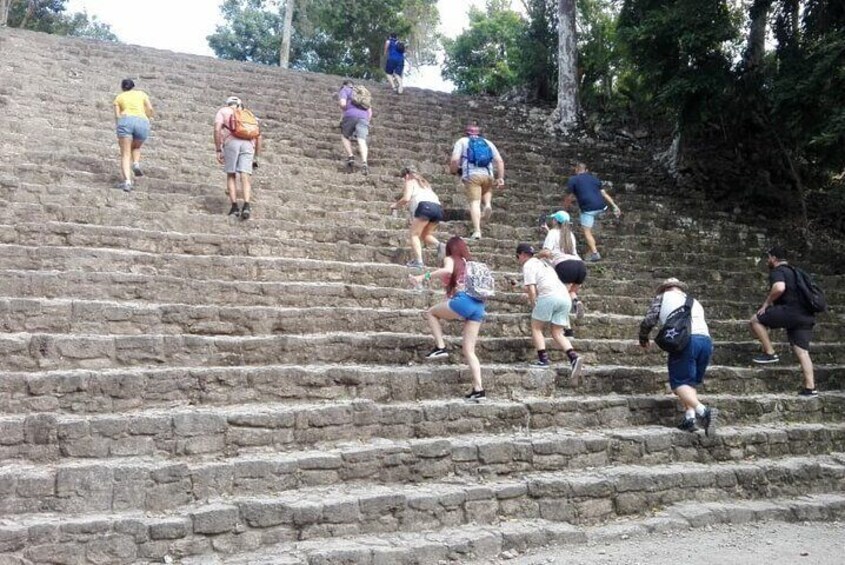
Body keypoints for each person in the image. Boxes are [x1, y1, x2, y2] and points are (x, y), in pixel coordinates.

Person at [410, 236, 487, 401]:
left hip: (464, 302)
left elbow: (447, 271)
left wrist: (423, 277)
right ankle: (479, 388)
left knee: (431, 312)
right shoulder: (471, 263)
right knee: (469, 351)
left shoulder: (451, 259)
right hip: (479, 306)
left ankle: (440, 346)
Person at [639, 278, 717, 435]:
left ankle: (704, 412)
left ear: (665, 289)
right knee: (690, 382)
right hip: (705, 341)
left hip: (686, 341)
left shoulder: (663, 298)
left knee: (679, 384)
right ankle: (690, 418)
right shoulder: (694, 301)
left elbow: (649, 319)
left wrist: (643, 337)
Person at [749, 246, 817, 396]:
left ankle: (770, 353)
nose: (768, 261)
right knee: (802, 352)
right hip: (805, 315)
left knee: (755, 320)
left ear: (773, 258)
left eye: (768, 258)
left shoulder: (778, 271)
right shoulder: (796, 272)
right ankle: (810, 388)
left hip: (790, 312)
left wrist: (766, 304)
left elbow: (779, 288)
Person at [516, 243, 584, 381]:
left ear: (522, 255)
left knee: (536, 327)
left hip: (548, 297)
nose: (518, 260)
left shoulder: (528, 265)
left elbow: (532, 289)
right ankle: (573, 358)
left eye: (517, 257)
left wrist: (534, 303)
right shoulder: (544, 264)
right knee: (557, 332)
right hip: (565, 297)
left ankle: (543, 360)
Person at [449, 125, 505, 240]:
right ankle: (488, 204)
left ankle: (477, 230)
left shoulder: (462, 141)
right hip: (488, 175)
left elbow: (455, 160)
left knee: (475, 203)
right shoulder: (487, 142)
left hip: (472, 176)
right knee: (486, 188)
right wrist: (500, 178)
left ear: (467, 133)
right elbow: (500, 161)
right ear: (479, 134)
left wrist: (453, 170)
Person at [214, 96, 262, 220]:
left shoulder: (223, 111)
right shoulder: (249, 115)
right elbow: (259, 136)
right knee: (245, 175)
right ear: (240, 104)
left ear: (228, 103)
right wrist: (256, 156)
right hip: (248, 144)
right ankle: (246, 205)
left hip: (231, 144)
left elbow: (217, 128)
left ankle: (234, 207)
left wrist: (218, 148)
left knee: (231, 174)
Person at [536, 210, 587, 324]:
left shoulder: (553, 232)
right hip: (580, 267)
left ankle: (565, 328)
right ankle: (576, 302)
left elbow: (546, 252)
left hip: (565, 266)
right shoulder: (570, 235)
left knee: (561, 296)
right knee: (570, 292)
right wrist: (547, 231)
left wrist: (535, 257)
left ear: (555, 221)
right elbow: (562, 247)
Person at [563, 163, 621, 262]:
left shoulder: (573, 180)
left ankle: (594, 253)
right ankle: (590, 250)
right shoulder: (594, 179)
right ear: (586, 170)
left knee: (587, 231)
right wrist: (614, 205)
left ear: (576, 170)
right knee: (589, 228)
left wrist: (565, 209)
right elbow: (604, 193)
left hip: (588, 209)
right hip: (602, 207)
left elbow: (569, 197)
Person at [390, 167, 445, 268]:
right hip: (438, 209)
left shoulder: (410, 181)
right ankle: (440, 245)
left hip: (425, 207)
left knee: (414, 235)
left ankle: (419, 262)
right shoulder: (426, 184)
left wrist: (395, 205)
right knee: (425, 235)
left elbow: (406, 198)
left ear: (406, 175)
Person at [113, 78, 154, 192]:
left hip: (126, 120)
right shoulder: (142, 94)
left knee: (125, 154)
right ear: (133, 86)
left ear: (122, 87)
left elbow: (117, 116)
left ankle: (127, 182)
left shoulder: (119, 97)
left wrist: (120, 126)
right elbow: (150, 109)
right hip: (142, 121)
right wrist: (147, 117)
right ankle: (136, 163)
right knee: (136, 147)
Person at [338, 80, 372, 175]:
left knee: (345, 136)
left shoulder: (345, 90)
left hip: (350, 115)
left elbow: (343, 104)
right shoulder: (362, 92)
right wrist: (366, 121)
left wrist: (345, 109)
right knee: (362, 140)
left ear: (344, 85)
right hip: (364, 117)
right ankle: (364, 163)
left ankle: (351, 156)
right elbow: (370, 111)